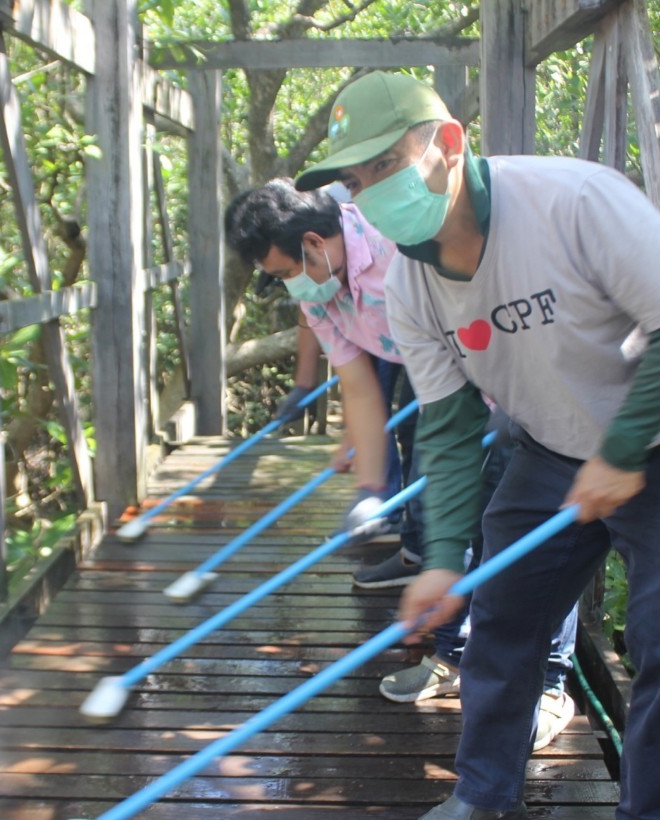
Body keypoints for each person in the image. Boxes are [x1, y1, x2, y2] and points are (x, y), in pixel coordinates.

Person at [295, 71, 660, 820]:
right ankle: (484, 790)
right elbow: (444, 422)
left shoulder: (573, 200)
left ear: (450, 145)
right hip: (546, 446)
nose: (372, 195)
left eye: (387, 166)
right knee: (500, 620)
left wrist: (622, 449)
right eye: (357, 183)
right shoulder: (409, 281)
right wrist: (438, 562)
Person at [224, 179, 578, 738]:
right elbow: (360, 386)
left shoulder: (401, 239)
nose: (285, 283)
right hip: (446, 386)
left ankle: (550, 683)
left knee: (529, 534)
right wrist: (370, 492)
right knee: (450, 520)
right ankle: (453, 659)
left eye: (283, 270)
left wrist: (509, 394)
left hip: (521, 379)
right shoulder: (316, 288)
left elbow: (500, 297)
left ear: (315, 244)